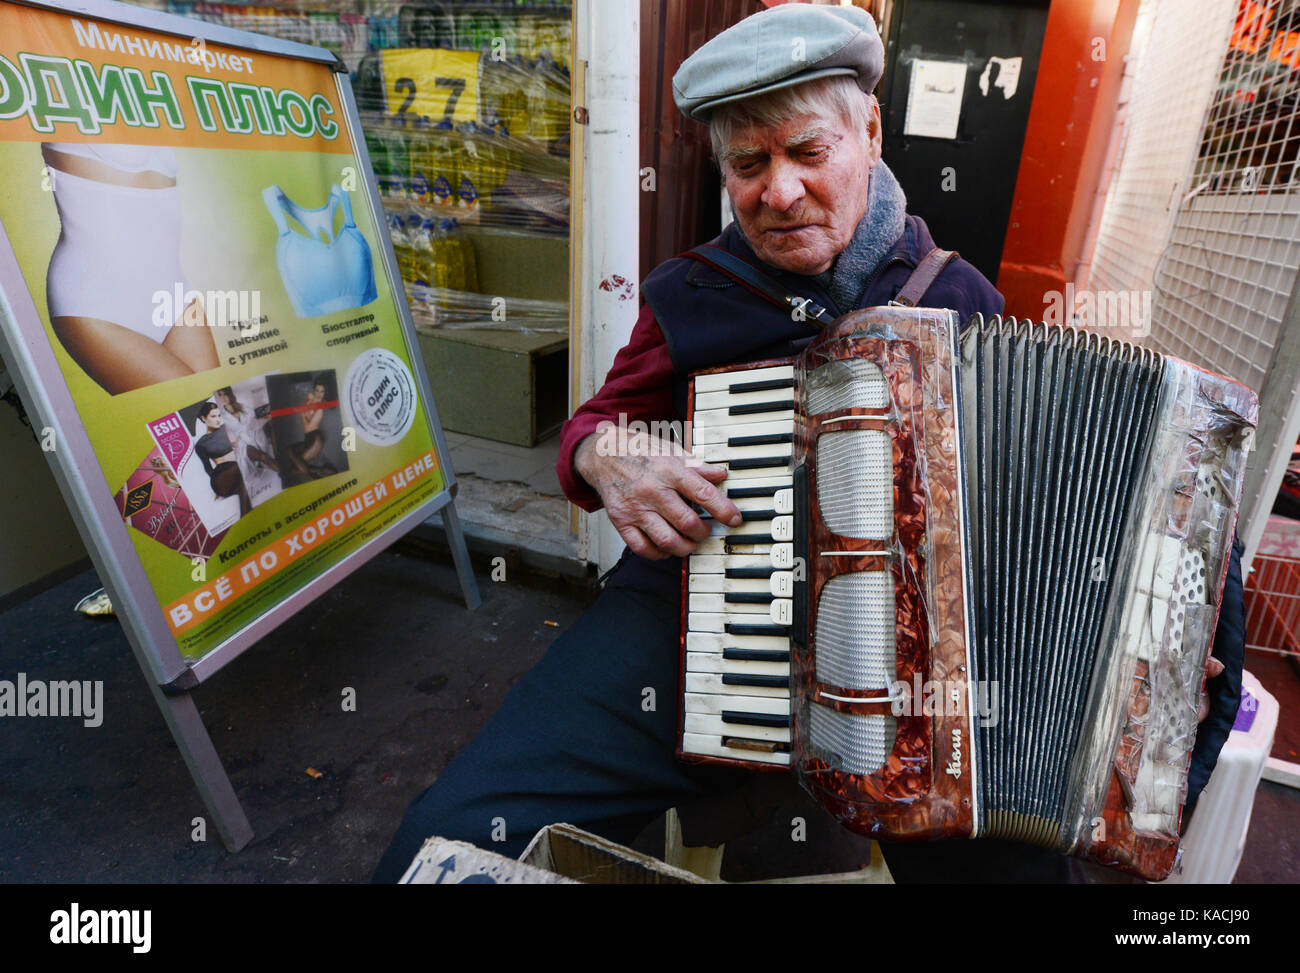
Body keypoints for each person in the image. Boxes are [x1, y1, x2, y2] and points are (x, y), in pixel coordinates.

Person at [373, 4, 1245, 883]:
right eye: (747, 165)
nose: (777, 192)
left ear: (869, 132)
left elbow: (1051, 493)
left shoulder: (957, 298)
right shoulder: (694, 292)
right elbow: (596, 426)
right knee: (448, 834)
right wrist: (605, 458)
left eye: (805, 152)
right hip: (688, 616)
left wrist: (1141, 625)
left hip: (920, 667)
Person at [43, 143, 217, 394]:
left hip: (173, 292)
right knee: (196, 408)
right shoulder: (58, 104)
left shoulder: (156, 106)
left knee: (221, 412)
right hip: (97, 301)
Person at [194, 402, 251, 518]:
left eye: (219, 416)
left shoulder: (227, 428)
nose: (218, 419)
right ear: (204, 418)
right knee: (240, 471)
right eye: (213, 416)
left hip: (239, 470)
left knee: (243, 477)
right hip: (222, 477)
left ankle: (246, 517)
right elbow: (208, 468)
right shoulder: (201, 444)